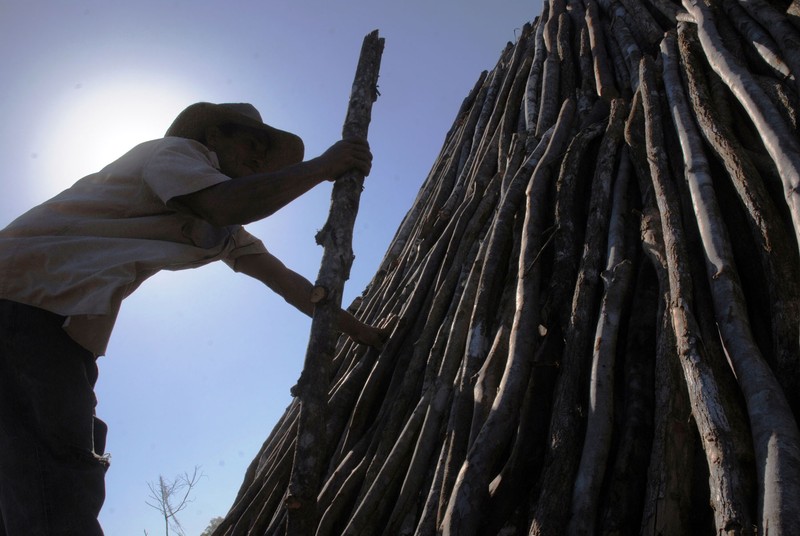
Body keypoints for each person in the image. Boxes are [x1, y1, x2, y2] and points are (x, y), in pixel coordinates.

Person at [0, 102, 385, 534]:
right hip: (22, 299)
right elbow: (224, 205)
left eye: (264, 152)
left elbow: (287, 283)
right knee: (57, 470)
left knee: (34, 472)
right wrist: (324, 167)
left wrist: (367, 334)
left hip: (46, 316)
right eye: (250, 143)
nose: (257, 158)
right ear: (211, 138)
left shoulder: (221, 226)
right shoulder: (176, 155)